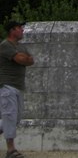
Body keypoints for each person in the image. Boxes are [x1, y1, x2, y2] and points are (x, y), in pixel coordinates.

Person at [0, 21, 34, 158]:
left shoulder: (21, 47)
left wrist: (23, 58)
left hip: (19, 86)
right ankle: (11, 150)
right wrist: (22, 58)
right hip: (7, 85)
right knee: (9, 115)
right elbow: (20, 59)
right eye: (20, 28)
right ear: (12, 30)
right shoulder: (5, 45)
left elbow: (31, 60)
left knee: (15, 119)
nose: (22, 30)